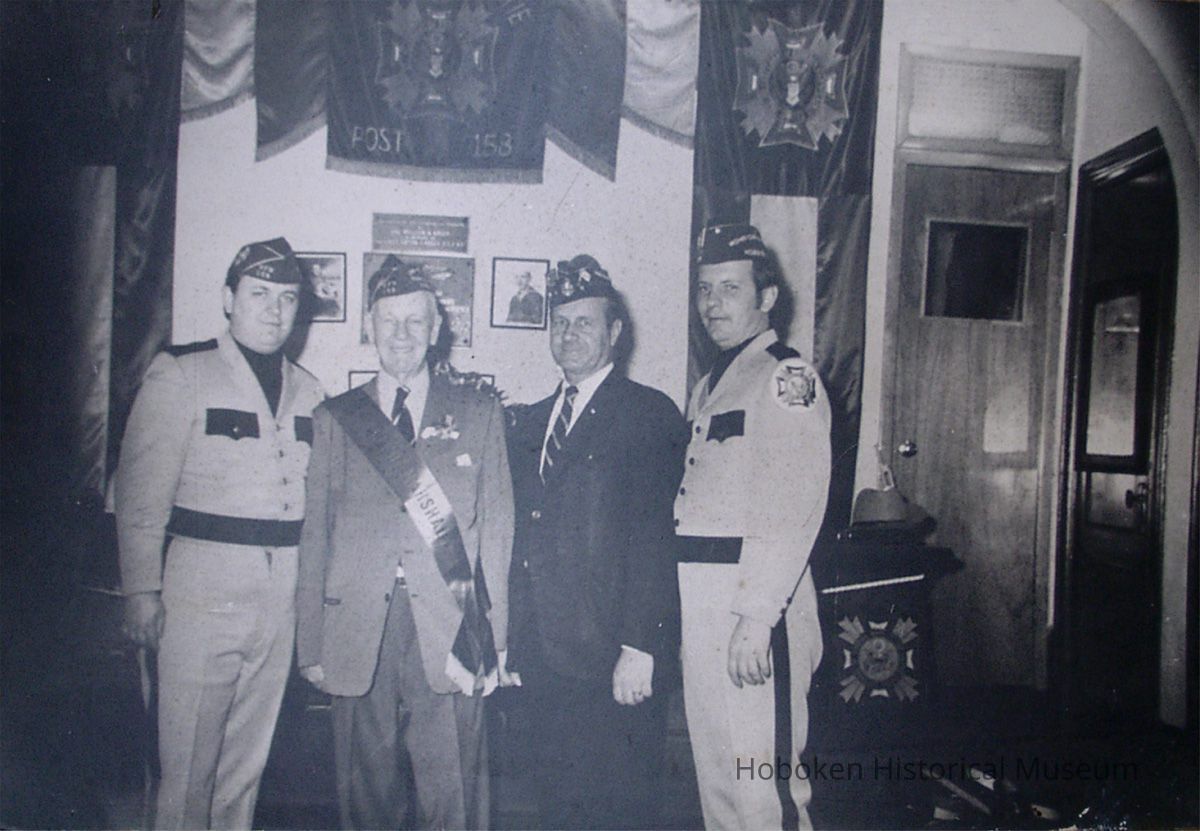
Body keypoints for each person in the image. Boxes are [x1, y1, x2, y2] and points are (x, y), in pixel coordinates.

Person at [296, 254, 514, 830]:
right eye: (389, 320)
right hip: (356, 629)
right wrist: (310, 642)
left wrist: (495, 640)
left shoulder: (479, 413)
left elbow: (497, 531)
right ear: (368, 326)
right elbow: (316, 535)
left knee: (454, 797)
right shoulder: (336, 418)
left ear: (436, 329)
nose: (401, 333)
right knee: (364, 798)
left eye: (415, 320)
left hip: (451, 628)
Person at [115, 237, 325, 829]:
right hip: (201, 593)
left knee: (245, 766)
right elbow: (139, 494)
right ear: (229, 299)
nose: (274, 311)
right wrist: (140, 591)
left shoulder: (311, 391)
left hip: (280, 596)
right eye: (259, 294)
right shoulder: (182, 373)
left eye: (287, 298)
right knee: (186, 765)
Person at [505, 255, 687, 829]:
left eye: (584, 322)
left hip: (613, 656)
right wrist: (513, 640)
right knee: (556, 802)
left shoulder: (648, 414)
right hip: (544, 654)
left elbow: (656, 539)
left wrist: (642, 645)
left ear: (615, 332)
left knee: (620, 806)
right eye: (560, 322)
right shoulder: (531, 421)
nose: (569, 334)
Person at [674, 223, 832, 830]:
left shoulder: (786, 378)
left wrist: (758, 617)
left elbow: (794, 506)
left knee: (763, 785)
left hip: (757, 604)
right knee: (720, 782)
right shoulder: (711, 384)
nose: (712, 304)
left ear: (766, 297)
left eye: (730, 288)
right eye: (705, 289)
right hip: (704, 601)